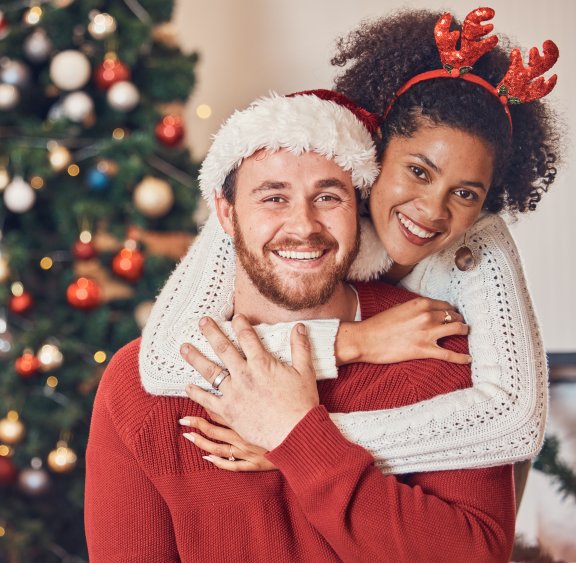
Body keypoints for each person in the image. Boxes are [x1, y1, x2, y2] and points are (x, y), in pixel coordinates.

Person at [85, 90, 515, 562]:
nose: (303, 226)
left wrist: (301, 440)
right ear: (226, 213)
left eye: (328, 197)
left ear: (358, 209)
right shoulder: (139, 388)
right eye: (274, 197)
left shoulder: (433, 346)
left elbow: (478, 554)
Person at [139, 7, 560, 478]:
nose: (432, 210)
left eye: (465, 194)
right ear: (376, 152)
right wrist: (355, 340)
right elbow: (164, 357)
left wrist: (298, 439)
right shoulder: (292, 210)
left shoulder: (479, 245)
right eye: (418, 171)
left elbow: (516, 421)